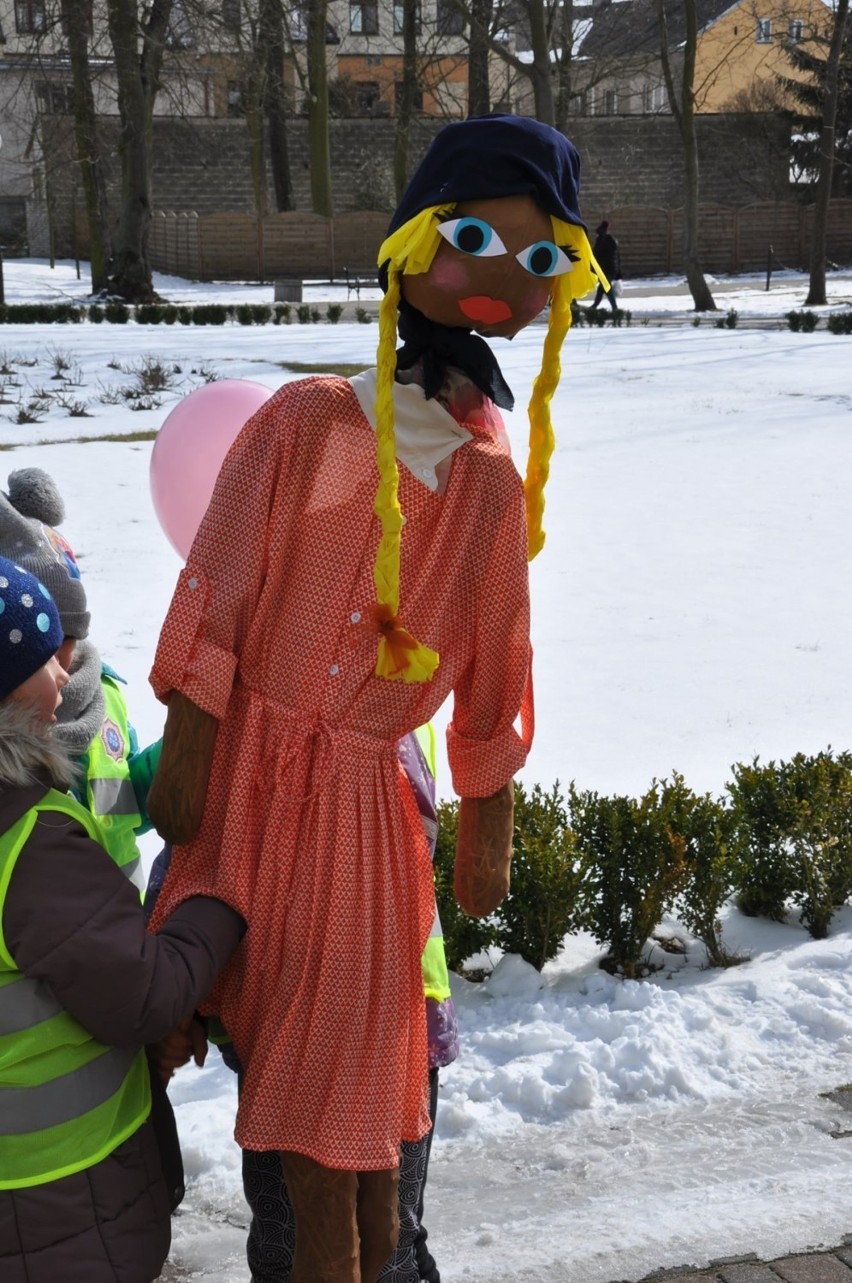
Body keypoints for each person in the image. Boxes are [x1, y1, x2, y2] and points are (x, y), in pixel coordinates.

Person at [146, 113, 598, 1283]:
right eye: (475, 239)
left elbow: (499, 649)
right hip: (248, 791)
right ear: (411, 246)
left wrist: (488, 802)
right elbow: (224, 581)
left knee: (366, 1116)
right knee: (256, 1070)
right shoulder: (305, 426)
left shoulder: (492, 485)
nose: (507, 276)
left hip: (364, 820)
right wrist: (193, 739)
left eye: (541, 257)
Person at [0, 555, 245, 1283]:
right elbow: (143, 992)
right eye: (45, 654)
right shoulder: (26, 842)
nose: (64, 669)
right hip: (57, 1203)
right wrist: (217, 894)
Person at [147, 725, 458, 1283]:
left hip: (390, 1031)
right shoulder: (262, 715)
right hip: (291, 1031)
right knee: (289, 1240)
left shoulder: (378, 720)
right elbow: (195, 857)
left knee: (382, 1245)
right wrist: (179, 996)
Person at [0, 468, 160, 890]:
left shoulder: (105, 694)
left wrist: (166, 765)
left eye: (69, 636)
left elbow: (118, 806)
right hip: (40, 939)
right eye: (43, 642)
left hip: (122, 924)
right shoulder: (10, 723)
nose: (61, 660)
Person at [590, 219, 622, 312]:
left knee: (607, 288)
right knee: (602, 288)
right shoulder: (612, 240)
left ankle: (614, 308)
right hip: (611, 269)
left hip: (606, 269)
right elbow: (617, 257)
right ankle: (595, 306)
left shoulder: (601, 241)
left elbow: (596, 255)